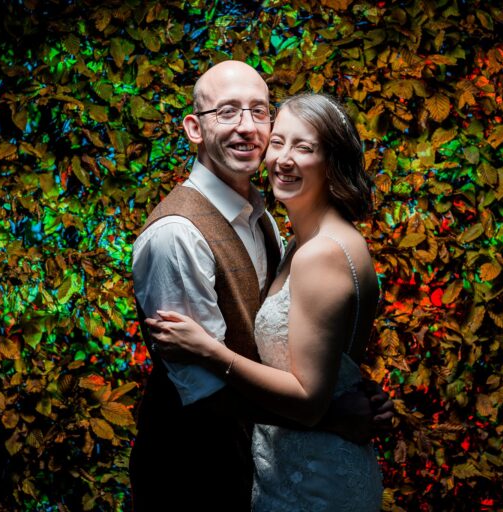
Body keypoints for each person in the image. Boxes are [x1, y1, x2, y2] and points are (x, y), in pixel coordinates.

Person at [129, 62, 389, 511]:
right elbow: (202, 394)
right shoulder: (177, 235)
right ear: (194, 128)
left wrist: (347, 383)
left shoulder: (266, 217)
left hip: (266, 472)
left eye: (259, 111)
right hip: (192, 480)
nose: (247, 127)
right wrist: (332, 414)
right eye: (227, 112)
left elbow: (296, 343)